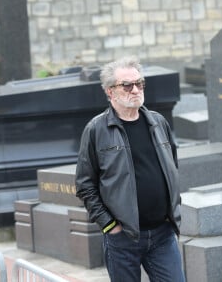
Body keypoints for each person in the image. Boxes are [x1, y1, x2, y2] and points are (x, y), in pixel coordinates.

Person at [75, 56, 185, 282]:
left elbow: (172, 165)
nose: (135, 90)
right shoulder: (96, 129)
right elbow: (85, 185)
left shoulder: (157, 122)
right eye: (127, 85)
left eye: (139, 83)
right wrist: (109, 225)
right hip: (123, 238)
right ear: (110, 91)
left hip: (162, 233)